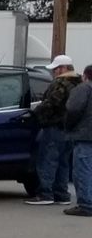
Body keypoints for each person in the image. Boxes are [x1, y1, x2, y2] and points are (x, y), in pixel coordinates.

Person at [27, 54, 81, 206]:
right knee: (63, 162)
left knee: (48, 160)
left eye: (55, 69)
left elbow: (52, 103)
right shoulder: (79, 83)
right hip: (70, 129)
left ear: (63, 68)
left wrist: (36, 112)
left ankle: (45, 193)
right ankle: (61, 194)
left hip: (55, 127)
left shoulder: (61, 83)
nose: (53, 72)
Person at [62, 69, 92, 218]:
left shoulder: (83, 88)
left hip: (84, 135)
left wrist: (68, 126)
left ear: (85, 76)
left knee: (82, 170)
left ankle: (86, 204)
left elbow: (73, 109)